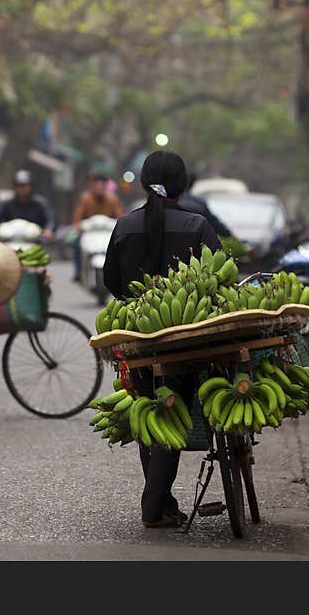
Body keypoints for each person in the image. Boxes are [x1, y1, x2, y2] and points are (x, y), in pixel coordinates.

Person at [103, 151, 221, 529]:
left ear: (142, 184)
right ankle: (154, 505)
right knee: (170, 411)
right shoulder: (198, 225)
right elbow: (219, 280)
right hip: (188, 338)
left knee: (151, 410)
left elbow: (111, 283)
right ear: (183, 186)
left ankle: (161, 500)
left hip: (137, 337)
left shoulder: (124, 226)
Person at [71, 172, 124, 282]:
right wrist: (77, 227)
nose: (99, 187)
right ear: (91, 186)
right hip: (89, 233)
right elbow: (77, 216)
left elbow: (120, 216)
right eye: (96, 184)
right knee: (76, 244)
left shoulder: (112, 199)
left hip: (107, 232)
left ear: (105, 185)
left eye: (102, 184)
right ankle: (78, 272)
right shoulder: (85, 199)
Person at [0, 169, 56, 238]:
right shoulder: (6, 203)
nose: (22, 188)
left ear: (31, 186)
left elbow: (50, 218)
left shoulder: (40, 203)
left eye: (25, 185)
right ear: (14, 186)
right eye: (19, 185)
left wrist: (49, 230)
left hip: (35, 242)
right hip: (8, 242)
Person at [178, 174, 234, 239]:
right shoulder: (198, 203)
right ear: (193, 184)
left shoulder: (170, 201)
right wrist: (230, 236)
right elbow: (216, 225)